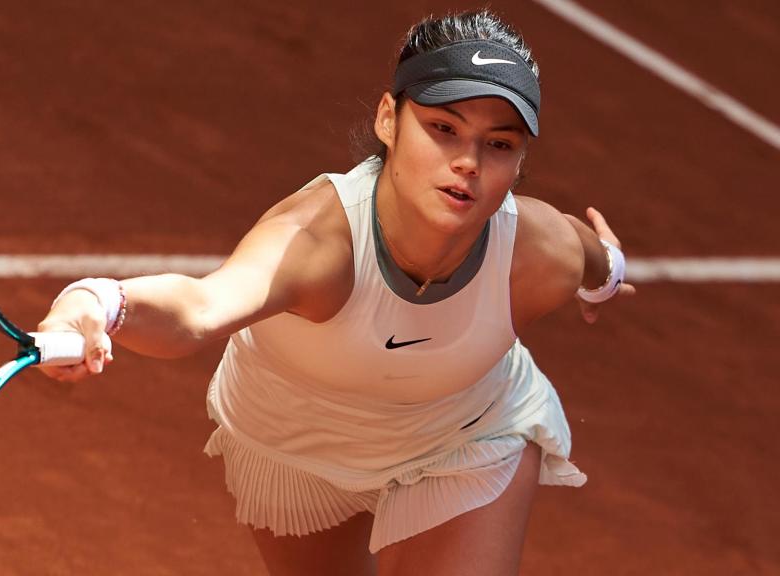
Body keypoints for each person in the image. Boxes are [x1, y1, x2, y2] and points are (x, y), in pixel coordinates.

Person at [38, 9, 635, 576]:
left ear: (520, 158)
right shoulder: (318, 243)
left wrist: (607, 277)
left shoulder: (539, 251)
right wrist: (98, 301)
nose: (468, 163)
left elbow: (594, 257)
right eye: (443, 129)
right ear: (387, 119)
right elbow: (198, 310)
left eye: (498, 144)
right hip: (293, 444)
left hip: (466, 432)